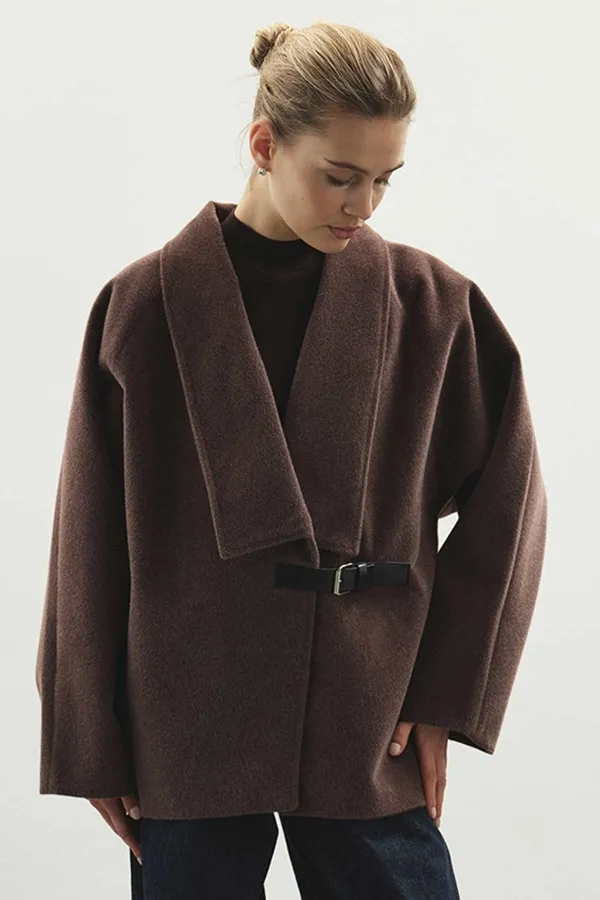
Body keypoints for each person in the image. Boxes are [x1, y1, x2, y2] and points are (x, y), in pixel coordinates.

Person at [35, 19, 547, 900]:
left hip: (366, 711)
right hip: (184, 713)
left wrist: (446, 695)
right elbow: (87, 534)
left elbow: (512, 502)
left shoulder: (434, 308)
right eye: (339, 177)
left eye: (385, 180)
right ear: (265, 145)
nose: (364, 207)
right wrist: (88, 737)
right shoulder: (141, 306)